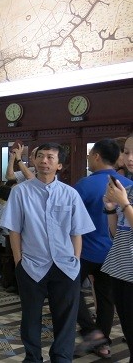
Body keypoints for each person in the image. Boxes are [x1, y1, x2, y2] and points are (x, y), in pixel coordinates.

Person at [0, 142, 95, 362]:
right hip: (32, 264)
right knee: (30, 318)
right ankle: (32, 357)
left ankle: (61, 357)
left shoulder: (69, 194)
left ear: (59, 164)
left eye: (50, 157)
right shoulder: (20, 192)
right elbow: (14, 230)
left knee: (65, 319)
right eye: (40, 156)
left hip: (65, 266)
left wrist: (76, 260)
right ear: (33, 161)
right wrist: (18, 262)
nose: (44, 161)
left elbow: (77, 232)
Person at [73, 139, 132, 358]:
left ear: (96, 156)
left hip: (86, 251)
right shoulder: (126, 183)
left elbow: (71, 219)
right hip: (114, 254)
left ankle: (92, 332)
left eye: (90, 155)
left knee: (68, 289)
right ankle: (103, 344)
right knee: (106, 299)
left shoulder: (85, 184)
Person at [102, 133, 133, 359]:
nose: (130, 158)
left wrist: (124, 204)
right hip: (120, 268)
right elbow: (117, 233)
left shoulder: (126, 195)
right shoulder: (128, 189)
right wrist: (111, 208)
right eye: (127, 152)